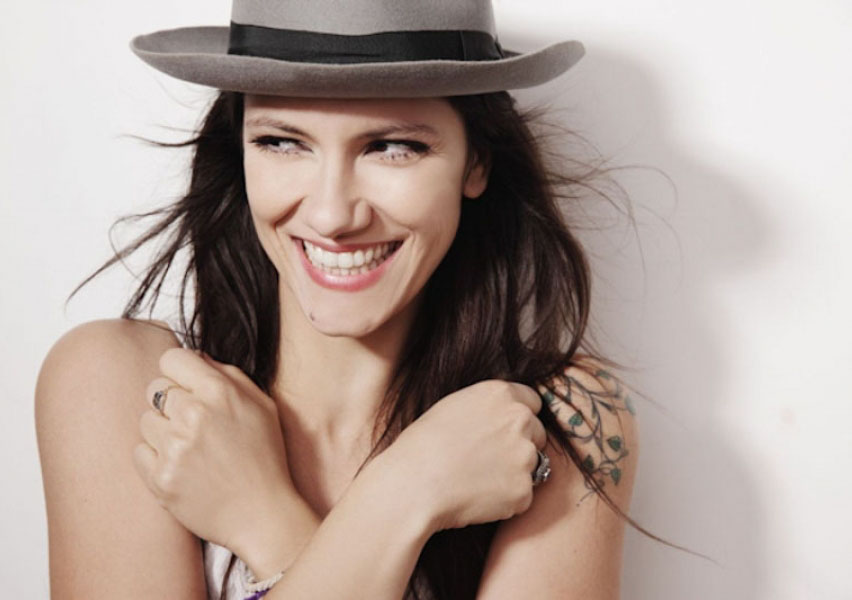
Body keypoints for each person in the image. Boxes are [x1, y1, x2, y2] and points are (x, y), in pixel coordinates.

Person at [35, 1, 640, 598]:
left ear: (475, 161)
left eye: (392, 147)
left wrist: (271, 520)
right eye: (281, 142)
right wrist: (407, 493)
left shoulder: (566, 423)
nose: (331, 215)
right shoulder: (128, 386)